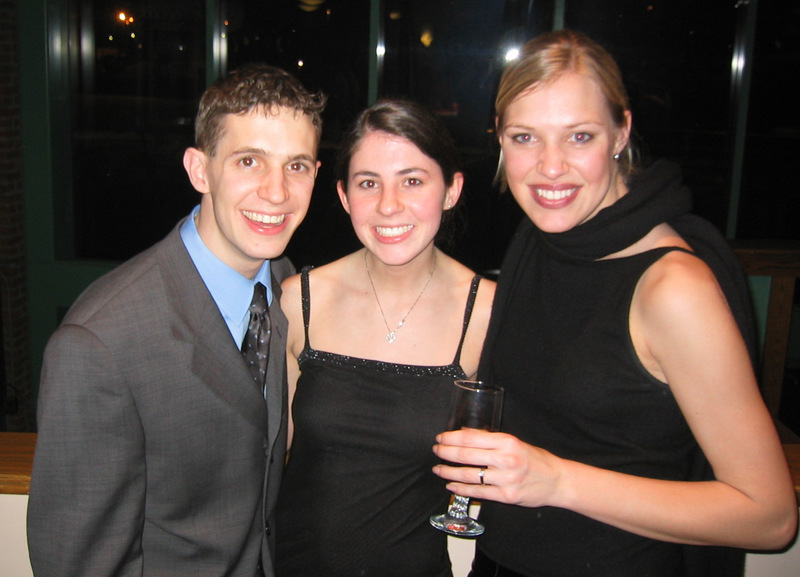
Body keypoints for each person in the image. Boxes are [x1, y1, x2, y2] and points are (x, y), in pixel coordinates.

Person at [432, 29, 798, 577]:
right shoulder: (540, 240)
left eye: (579, 136)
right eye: (525, 138)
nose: (550, 167)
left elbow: (769, 517)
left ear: (621, 133)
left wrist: (558, 481)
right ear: (501, 140)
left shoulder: (673, 288)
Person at [26, 64, 325, 577]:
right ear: (199, 170)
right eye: (249, 160)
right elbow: (79, 563)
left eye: (295, 166)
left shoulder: (284, 284)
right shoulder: (100, 343)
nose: (277, 192)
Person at [274, 99, 496, 576]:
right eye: (368, 183)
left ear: (452, 190)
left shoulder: (486, 314)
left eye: (412, 181)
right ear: (343, 195)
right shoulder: (299, 301)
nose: (388, 205)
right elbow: (268, 456)